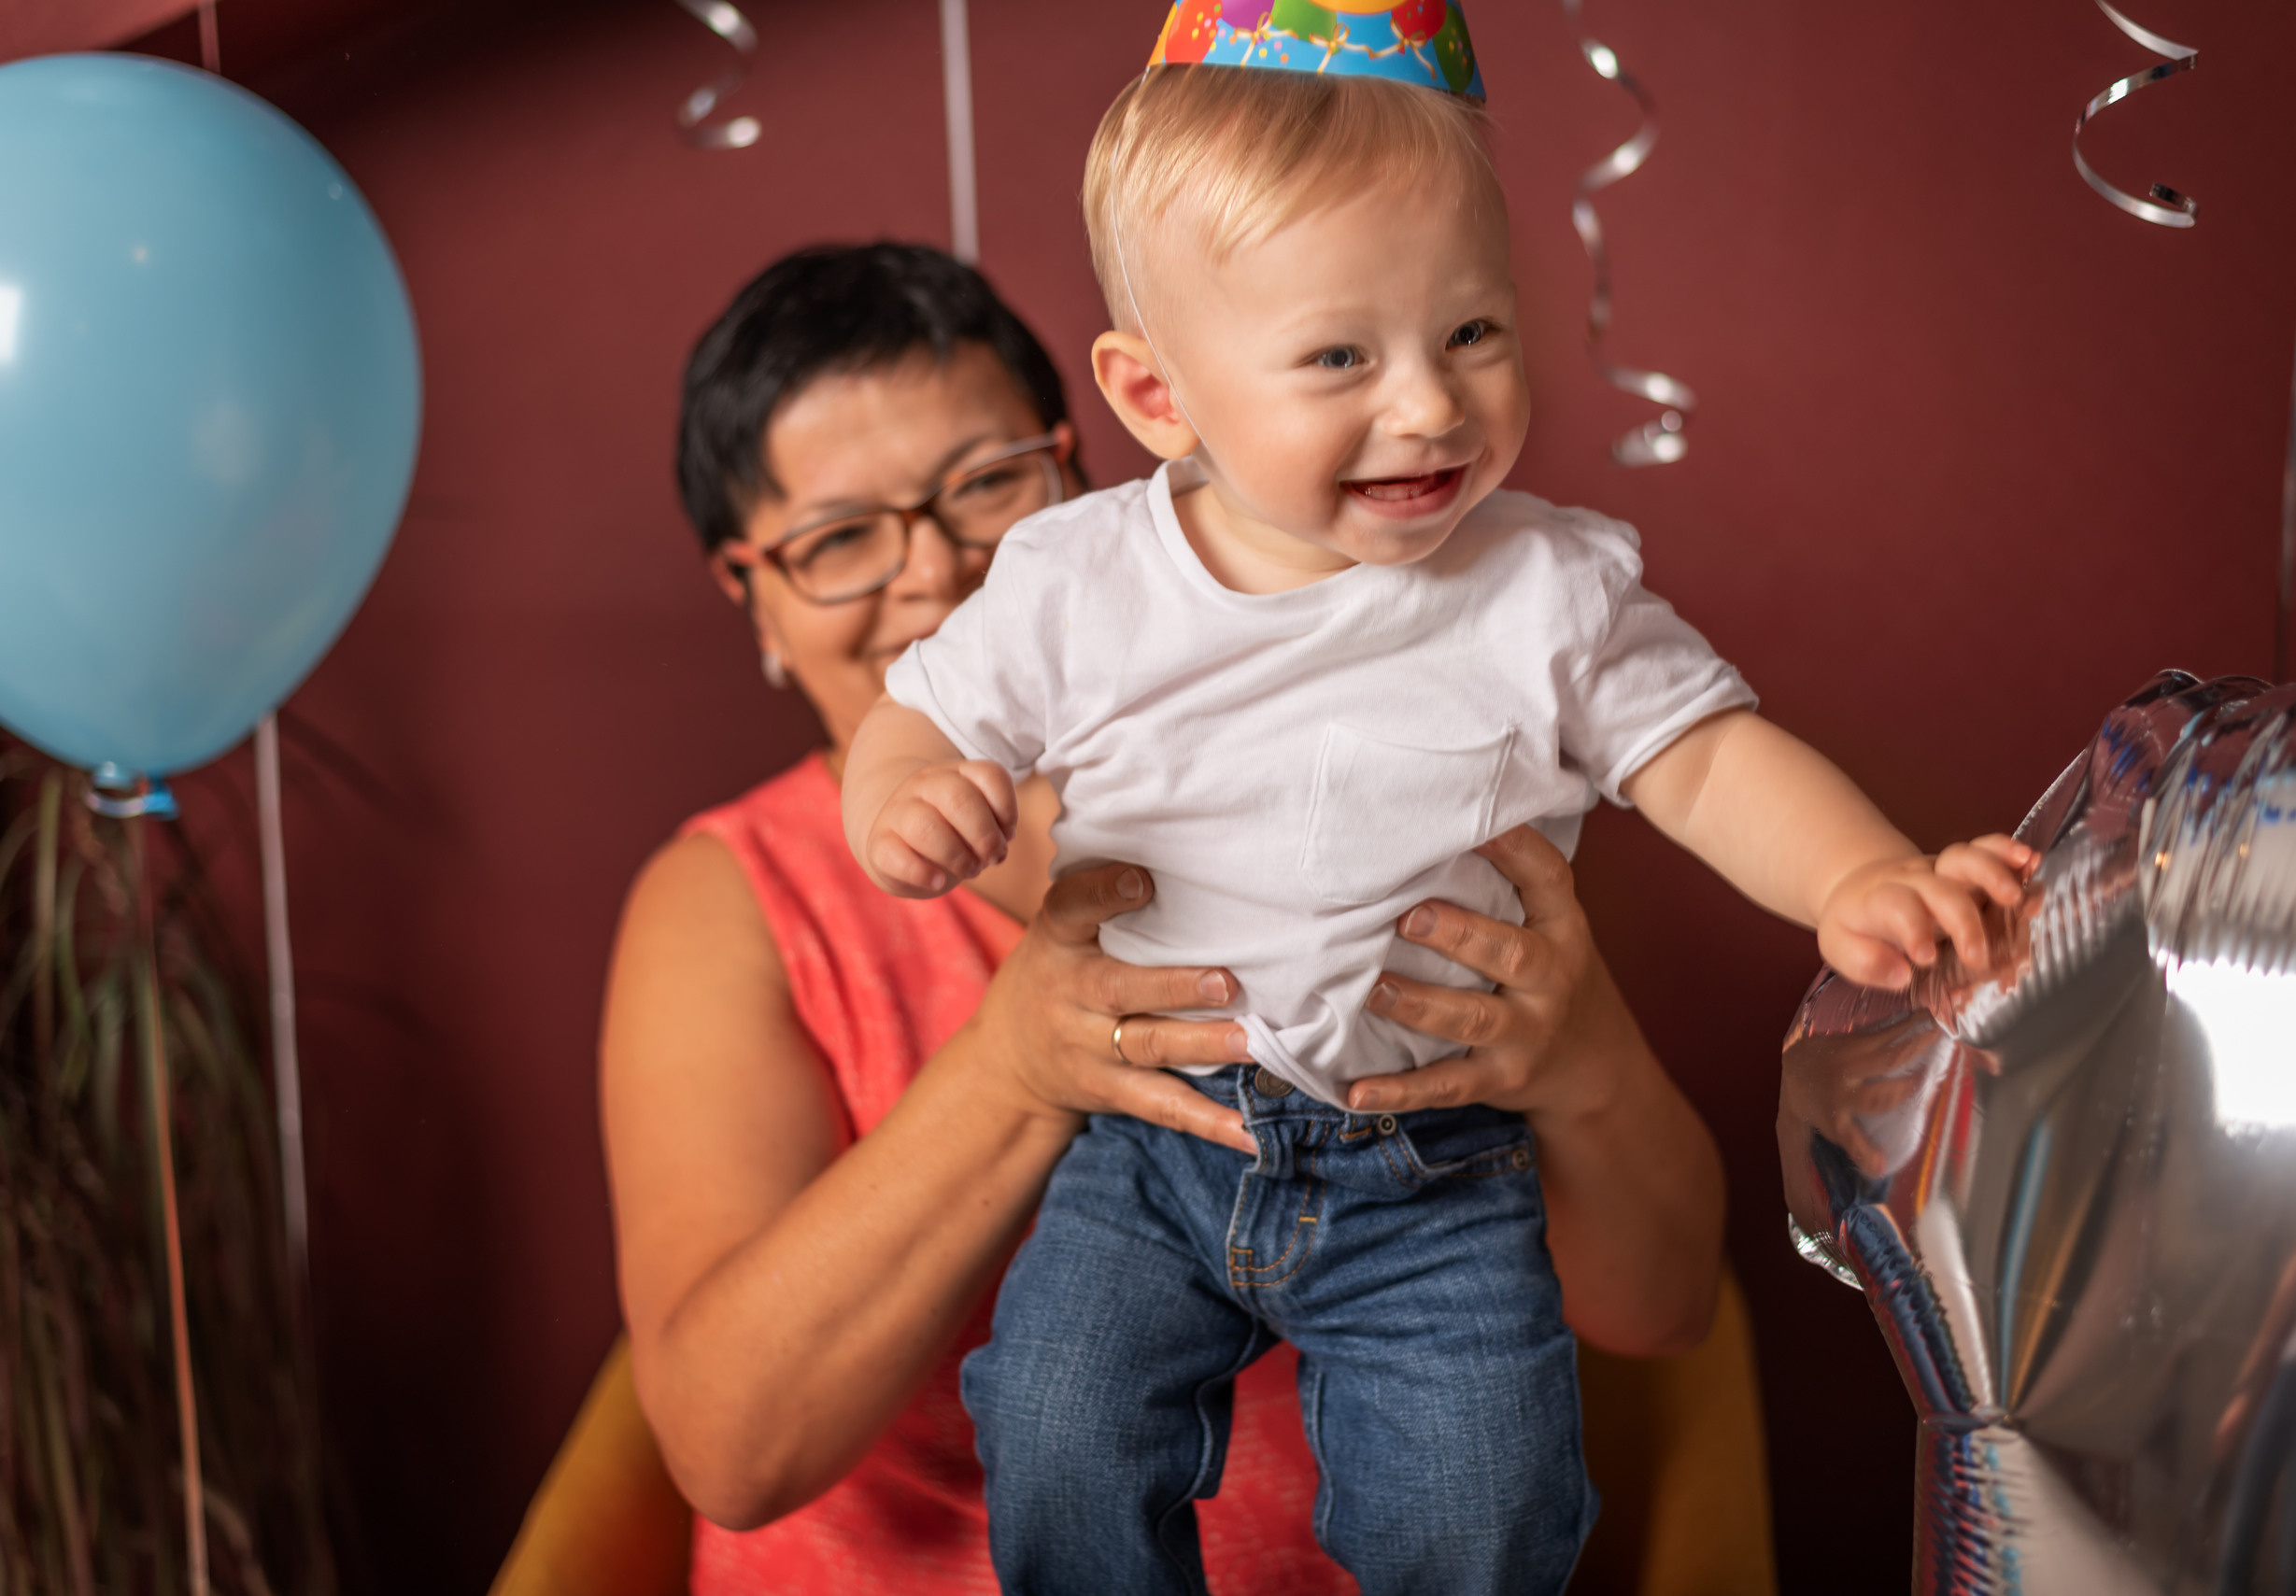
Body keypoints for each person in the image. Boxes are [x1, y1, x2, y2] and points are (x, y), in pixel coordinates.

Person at [838, 14, 2034, 1595]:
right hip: (1155, 1143)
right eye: (1342, 357)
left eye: (1472, 333)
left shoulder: (1537, 589)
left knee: (1478, 1498)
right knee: (1060, 1425)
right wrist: (912, 797)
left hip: (1432, 1163)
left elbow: (1707, 757)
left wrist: (1859, 873)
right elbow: (912, 714)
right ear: (1155, 393)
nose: (1429, 408)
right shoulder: (1080, 582)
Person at [602, 242, 1731, 1595]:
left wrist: (1579, 1054)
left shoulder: (1378, 782)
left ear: (1081, 478)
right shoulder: (732, 895)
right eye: (841, 539)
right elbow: (733, 1447)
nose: (937, 571)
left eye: (988, 485)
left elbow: (1662, 1308)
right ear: (756, 597)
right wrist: (1016, 1064)